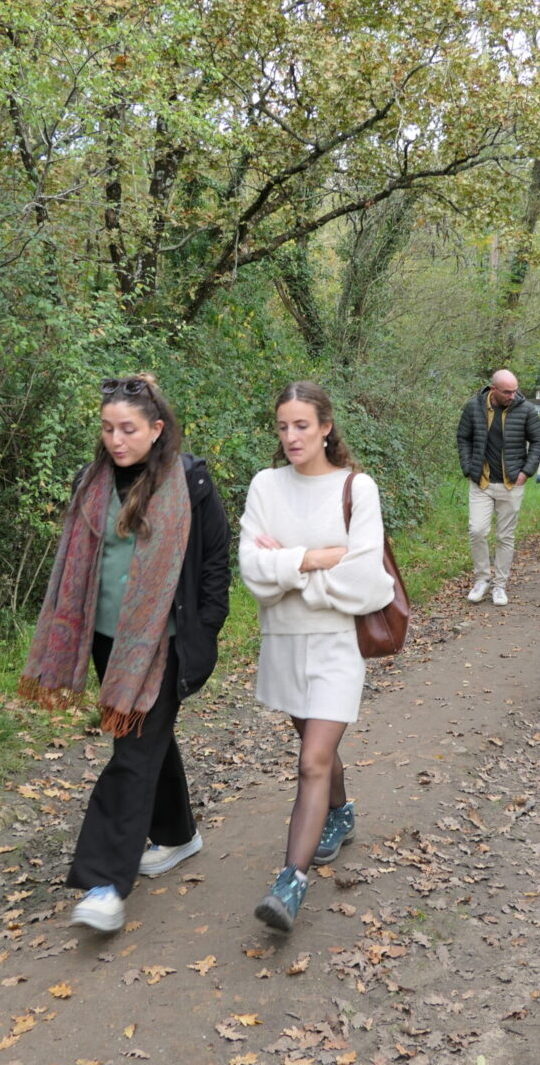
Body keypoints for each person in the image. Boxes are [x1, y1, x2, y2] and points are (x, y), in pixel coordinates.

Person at [20, 373, 231, 933]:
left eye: (129, 429)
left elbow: (215, 562)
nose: (116, 440)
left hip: (164, 644)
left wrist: (206, 630)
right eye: (108, 428)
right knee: (146, 740)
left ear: (156, 429)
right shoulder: (91, 482)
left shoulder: (189, 482)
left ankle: (104, 883)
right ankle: (179, 834)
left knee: (133, 752)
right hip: (106, 639)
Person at [239, 381, 395, 932]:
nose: (291, 436)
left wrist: (287, 566)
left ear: (326, 427)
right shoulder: (266, 485)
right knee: (317, 749)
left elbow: (366, 579)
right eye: (283, 426)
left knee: (311, 761)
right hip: (283, 642)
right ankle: (341, 813)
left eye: (302, 425)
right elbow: (251, 571)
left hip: (336, 643)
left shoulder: (357, 488)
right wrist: (314, 558)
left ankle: (290, 883)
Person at [455, 369, 540, 607]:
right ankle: (481, 579)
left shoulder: (525, 410)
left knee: (505, 536)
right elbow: (463, 437)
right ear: (493, 389)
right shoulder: (474, 407)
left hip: (511, 483)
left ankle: (500, 585)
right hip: (481, 481)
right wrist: (468, 467)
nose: (513, 396)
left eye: (515, 391)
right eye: (507, 392)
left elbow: (538, 440)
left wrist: (527, 471)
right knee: (477, 530)